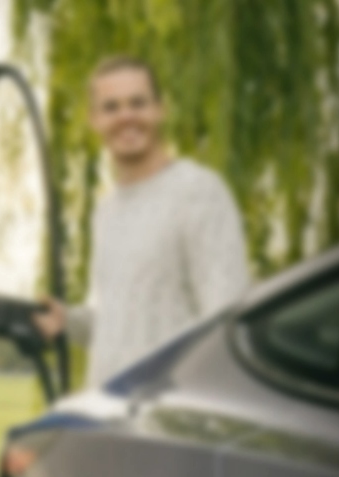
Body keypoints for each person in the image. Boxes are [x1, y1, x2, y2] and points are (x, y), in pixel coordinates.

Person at [30, 55, 251, 388]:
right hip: (109, 408)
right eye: (111, 107)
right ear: (94, 120)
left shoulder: (198, 192)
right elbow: (117, 324)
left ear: (160, 109)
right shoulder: (106, 211)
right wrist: (68, 320)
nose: (126, 116)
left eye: (138, 103)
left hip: (168, 409)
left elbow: (226, 318)